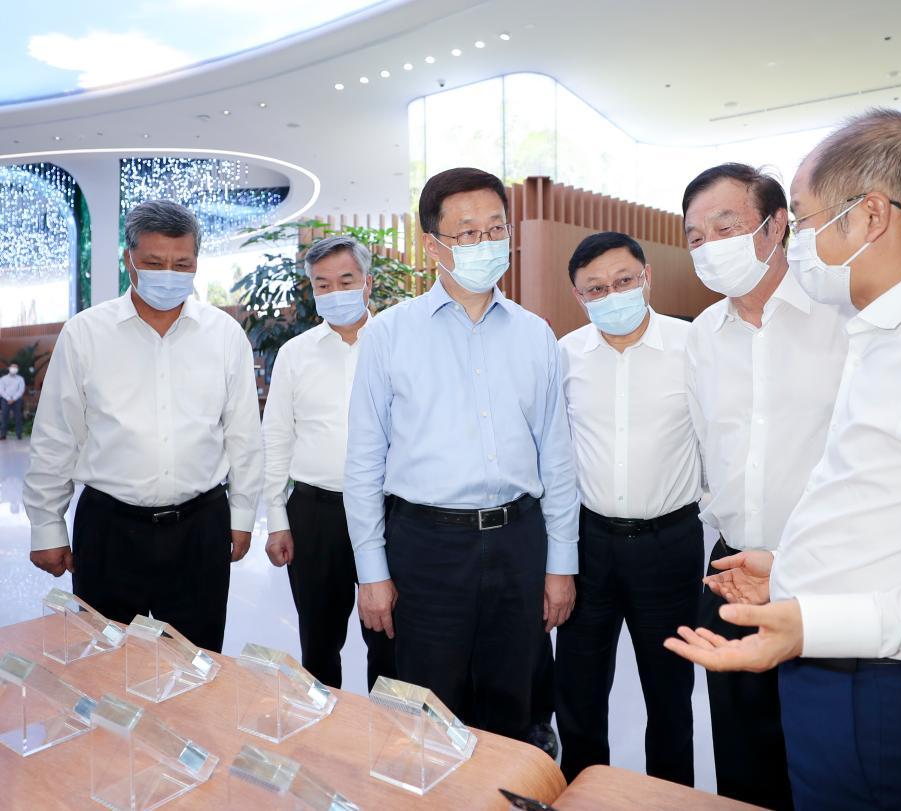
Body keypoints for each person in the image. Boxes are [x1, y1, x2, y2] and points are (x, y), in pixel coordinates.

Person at [666, 109, 901, 811]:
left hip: (900, 692)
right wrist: (789, 572)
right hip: (842, 675)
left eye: (802, 221)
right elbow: (894, 516)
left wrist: (816, 622)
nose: (797, 245)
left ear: (870, 216)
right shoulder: (889, 336)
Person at [344, 167, 579, 743]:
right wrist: (372, 572)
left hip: (518, 540)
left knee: (514, 706)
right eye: (467, 232)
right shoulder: (389, 335)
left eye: (496, 229)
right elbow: (364, 460)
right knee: (425, 712)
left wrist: (560, 564)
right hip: (426, 546)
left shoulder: (535, 334)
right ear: (432, 246)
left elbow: (556, 456)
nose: (485, 243)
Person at [24, 199, 262, 653]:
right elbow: (56, 435)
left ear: (196, 263)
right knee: (104, 663)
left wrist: (244, 515)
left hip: (200, 526)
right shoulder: (85, 333)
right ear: (128, 258)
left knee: (195, 663)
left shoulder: (225, 335)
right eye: (153, 262)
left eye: (182, 264)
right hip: (109, 528)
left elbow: (244, 437)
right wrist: (46, 526)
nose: (168, 274)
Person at [681, 163, 848, 809]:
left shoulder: (839, 317)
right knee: (743, 761)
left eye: (725, 228)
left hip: (826, 574)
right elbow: (707, 445)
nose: (708, 247)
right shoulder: (702, 335)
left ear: (776, 226)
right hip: (731, 571)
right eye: (695, 237)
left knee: (826, 757)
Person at [554, 232, 704, 785]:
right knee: (579, 689)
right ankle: (582, 792)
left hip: (670, 543)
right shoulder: (564, 355)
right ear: (579, 296)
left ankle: (670, 797)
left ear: (647, 278)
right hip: (589, 544)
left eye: (623, 281)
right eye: (596, 288)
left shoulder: (693, 346)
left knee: (670, 694)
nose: (612, 294)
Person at [262, 235, 395, 691]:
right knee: (319, 641)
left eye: (346, 280)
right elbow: (276, 438)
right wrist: (277, 520)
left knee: (391, 638)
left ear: (368, 282)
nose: (335, 292)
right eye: (323, 284)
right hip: (316, 513)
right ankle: (322, 726)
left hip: (389, 510)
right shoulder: (295, 354)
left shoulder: (396, 344)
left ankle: (388, 728)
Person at [0, 362, 26, 440]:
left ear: (17, 369)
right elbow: (1, 390)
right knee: (4, 417)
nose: (14, 369)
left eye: (16, 367)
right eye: (12, 367)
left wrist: (14, 399)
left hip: (17, 400)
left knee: (18, 417)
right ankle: (3, 434)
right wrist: (8, 398)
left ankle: (19, 434)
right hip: (5, 400)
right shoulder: (3, 379)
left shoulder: (20, 379)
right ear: (9, 368)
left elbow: (21, 390)